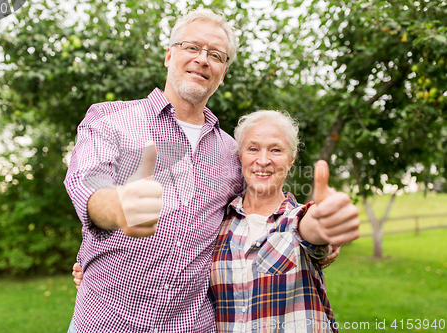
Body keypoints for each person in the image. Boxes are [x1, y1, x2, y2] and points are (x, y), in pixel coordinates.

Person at [64, 8, 358, 333]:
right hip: (105, 322)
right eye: (192, 47)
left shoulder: (231, 151)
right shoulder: (112, 120)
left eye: (215, 54)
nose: (202, 59)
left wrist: (319, 233)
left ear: (223, 72)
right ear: (169, 55)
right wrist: (116, 207)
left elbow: (263, 216)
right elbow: (86, 183)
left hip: (191, 325)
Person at [208, 110, 358, 332]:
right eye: (253, 149)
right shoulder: (218, 223)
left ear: (292, 159)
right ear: (240, 155)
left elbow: (310, 229)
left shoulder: (296, 219)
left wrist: (324, 221)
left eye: (276, 150)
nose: (263, 160)